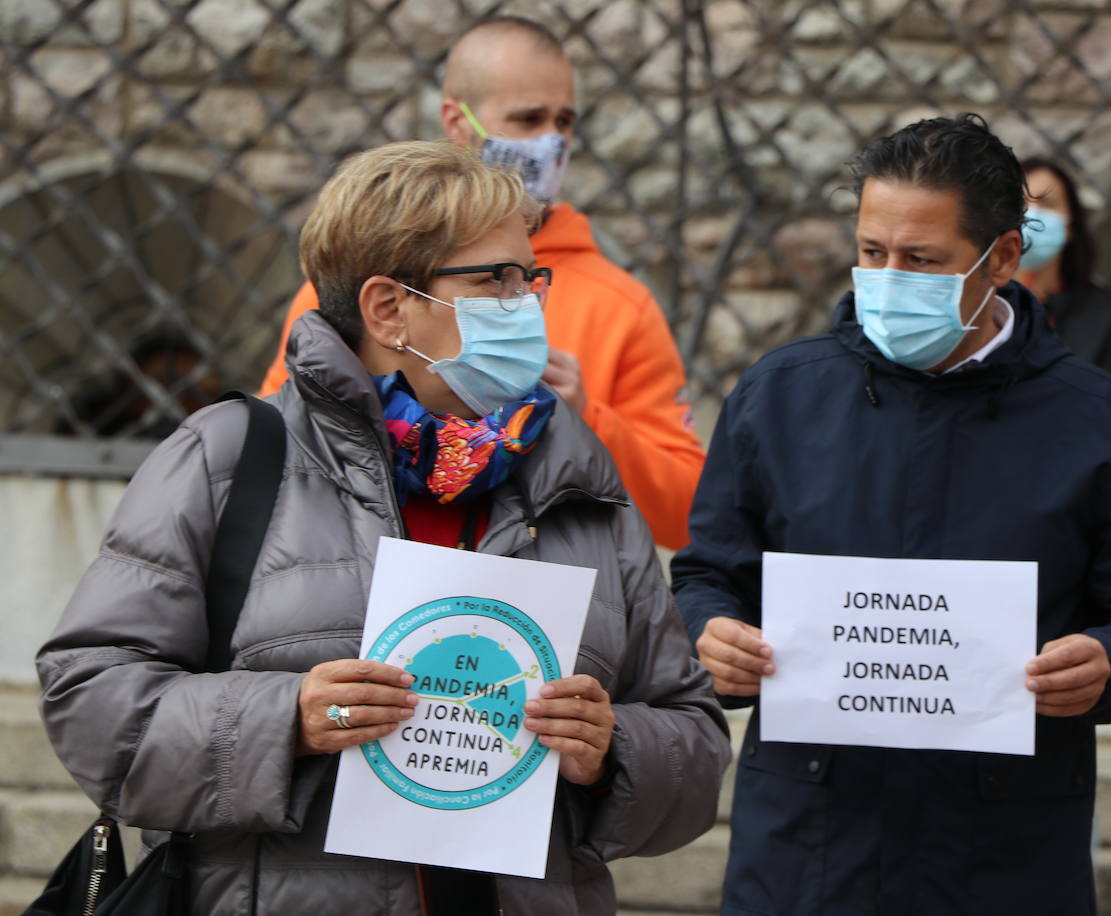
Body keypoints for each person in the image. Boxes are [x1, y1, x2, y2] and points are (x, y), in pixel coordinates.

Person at [37, 140, 730, 916]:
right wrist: (285, 719)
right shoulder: (229, 457)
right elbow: (91, 703)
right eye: (495, 279)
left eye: (530, 276)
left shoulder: (576, 478)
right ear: (388, 308)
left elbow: (696, 746)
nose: (529, 302)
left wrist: (613, 752)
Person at [671, 115, 1111, 915]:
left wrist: (1109, 662)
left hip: (1003, 860)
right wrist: (710, 636)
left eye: (921, 260)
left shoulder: (1092, 420)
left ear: (1002, 259)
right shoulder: (780, 397)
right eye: (871, 252)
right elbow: (704, 578)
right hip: (810, 856)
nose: (888, 279)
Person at [259, 16, 705, 549]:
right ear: (457, 121)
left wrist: (589, 419)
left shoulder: (621, 306)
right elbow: (278, 458)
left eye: (564, 120)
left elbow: (688, 515)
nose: (552, 140)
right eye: (528, 118)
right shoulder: (354, 280)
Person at [1015, 156, 1111, 394]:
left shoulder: (1103, 312)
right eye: (1019, 203)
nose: (1032, 215)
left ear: (1070, 224)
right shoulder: (974, 302)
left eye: (1047, 203)